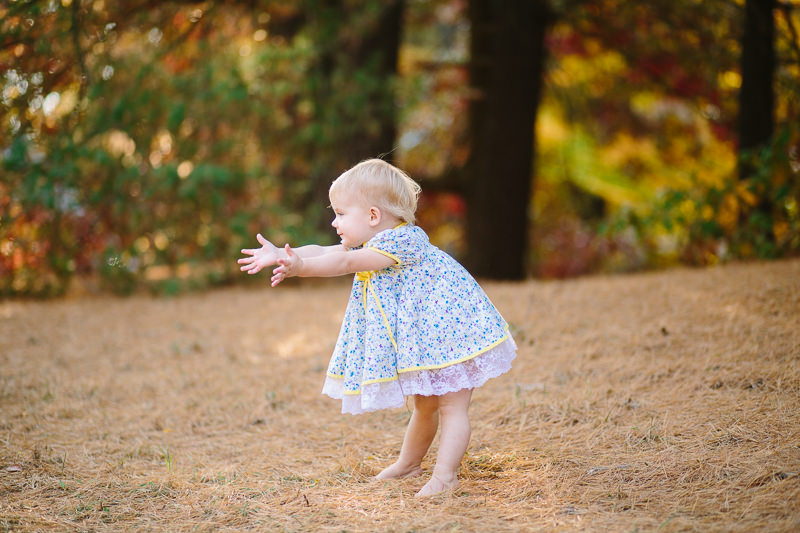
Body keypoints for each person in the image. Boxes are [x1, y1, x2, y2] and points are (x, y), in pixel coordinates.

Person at [238, 159, 516, 496]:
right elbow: (328, 250)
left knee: (451, 406)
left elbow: (345, 261)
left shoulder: (401, 243)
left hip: (453, 335)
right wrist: (288, 254)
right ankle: (409, 464)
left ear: (372, 216)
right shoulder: (378, 240)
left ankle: (446, 477)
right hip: (431, 337)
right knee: (425, 405)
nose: (333, 221)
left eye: (341, 213)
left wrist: (300, 269)